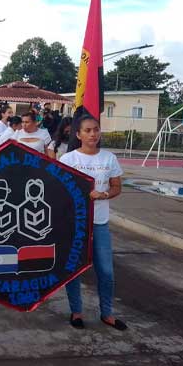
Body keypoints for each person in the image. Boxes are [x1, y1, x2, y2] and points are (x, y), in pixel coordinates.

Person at [59, 114, 126, 331]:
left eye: (96, 129)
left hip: (100, 222)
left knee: (106, 271)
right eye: (87, 130)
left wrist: (104, 195)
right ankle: (76, 311)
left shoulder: (109, 158)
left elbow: (117, 187)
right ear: (77, 134)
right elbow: (58, 189)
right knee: (74, 270)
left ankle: (107, 313)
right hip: (74, 224)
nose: (93, 134)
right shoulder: (68, 160)